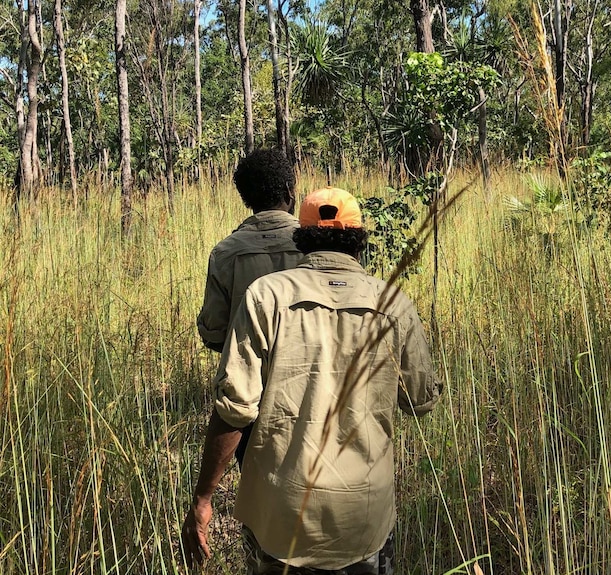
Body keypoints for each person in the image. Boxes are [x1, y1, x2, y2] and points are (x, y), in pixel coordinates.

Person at [182, 187, 441, 575]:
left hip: (281, 514)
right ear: (359, 239)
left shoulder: (266, 296)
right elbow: (422, 400)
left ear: (300, 237)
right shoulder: (393, 303)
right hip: (364, 515)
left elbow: (235, 410)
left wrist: (203, 497)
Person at [197, 148, 303, 466]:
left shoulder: (225, 253)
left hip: (252, 398)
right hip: (313, 392)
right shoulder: (317, 245)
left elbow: (214, 332)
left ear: (245, 198)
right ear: (289, 191)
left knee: (257, 499)